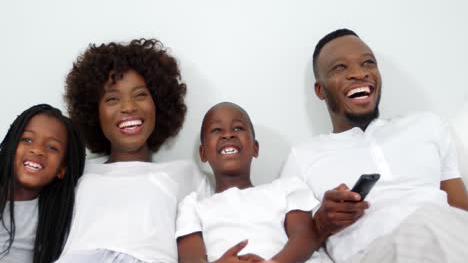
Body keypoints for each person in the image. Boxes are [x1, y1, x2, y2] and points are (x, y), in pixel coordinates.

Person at [280, 29, 468, 263]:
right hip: (373, 254)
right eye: (340, 67)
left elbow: (460, 211)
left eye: (368, 63)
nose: (359, 73)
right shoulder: (302, 157)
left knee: (433, 223)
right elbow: (296, 242)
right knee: (424, 224)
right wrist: (321, 224)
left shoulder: (426, 125)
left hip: (448, 243)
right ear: (320, 90)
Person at [56, 39, 211, 263]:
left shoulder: (185, 174)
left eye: (140, 95)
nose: (128, 107)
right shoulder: (76, 171)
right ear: (94, 112)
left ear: (158, 103)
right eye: (112, 98)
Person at [176, 102, 321, 263]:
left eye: (238, 128)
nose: (228, 135)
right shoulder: (193, 206)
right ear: (203, 153)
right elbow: (191, 259)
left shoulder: (285, 189)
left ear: (255, 147)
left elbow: (305, 236)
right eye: (217, 130)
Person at [0, 104, 86, 263]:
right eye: (27, 139)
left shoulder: (55, 221)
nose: (37, 150)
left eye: (52, 147)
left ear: (62, 169)